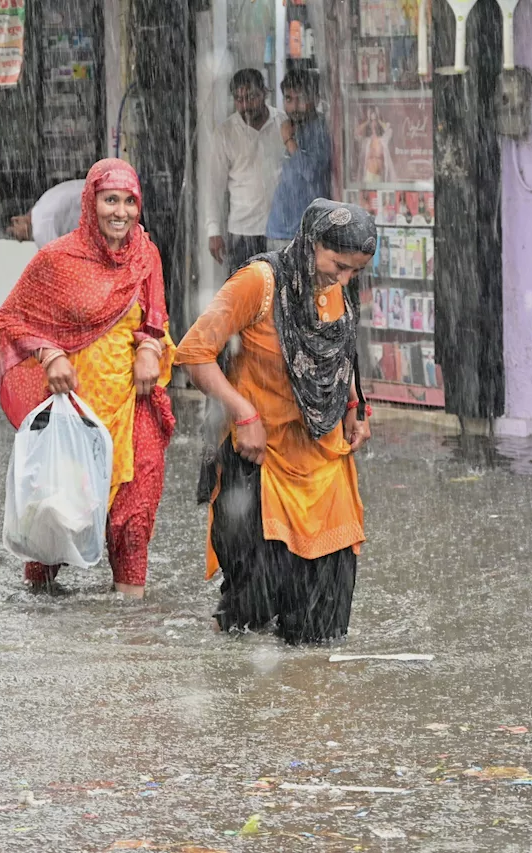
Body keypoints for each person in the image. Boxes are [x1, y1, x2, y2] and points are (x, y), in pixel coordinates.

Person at [176, 199, 376, 644]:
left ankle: (315, 711)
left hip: (323, 461)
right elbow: (193, 353)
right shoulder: (260, 282)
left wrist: (354, 407)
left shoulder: (337, 286)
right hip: (261, 460)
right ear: (311, 243)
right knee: (250, 615)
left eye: (355, 273)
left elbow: (336, 354)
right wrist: (242, 412)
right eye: (337, 265)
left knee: (322, 628)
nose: (343, 280)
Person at [0, 159, 176, 599]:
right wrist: (50, 353)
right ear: (89, 203)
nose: (121, 211)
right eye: (110, 199)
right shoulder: (58, 259)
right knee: (55, 523)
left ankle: (129, 644)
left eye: (130, 201)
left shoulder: (145, 255)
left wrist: (152, 350)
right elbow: (10, 317)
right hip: (75, 414)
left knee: (133, 524)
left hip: (133, 407)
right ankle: (48, 637)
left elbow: (155, 320)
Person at [206, 69, 286, 275]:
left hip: (280, 230)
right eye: (239, 99)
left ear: (265, 94)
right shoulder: (225, 133)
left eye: (251, 97)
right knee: (243, 299)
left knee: (278, 298)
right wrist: (213, 231)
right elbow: (214, 186)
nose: (246, 105)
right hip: (242, 233)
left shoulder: (283, 123)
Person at [265, 70, 333, 254]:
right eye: (288, 99)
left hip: (306, 233)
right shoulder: (289, 125)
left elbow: (311, 171)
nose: (294, 107)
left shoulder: (320, 129)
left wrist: (289, 141)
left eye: (301, 99)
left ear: (316, 99)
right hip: (279, 229)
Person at [7, 178, 86, 246]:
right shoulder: (43, 202)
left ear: (16, 220)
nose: (20, 241)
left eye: (14, 234)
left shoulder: (40, 230)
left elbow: (56, 257)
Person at [355, 107, 395, 184]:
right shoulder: (366, 142)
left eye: (375, 121)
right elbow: (356, 133)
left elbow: (389, 131)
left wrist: (378, 120)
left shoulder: (383, 140)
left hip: (380, 177)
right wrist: (367, 121)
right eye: (372, 122)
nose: (373, 123)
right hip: (368, 176)